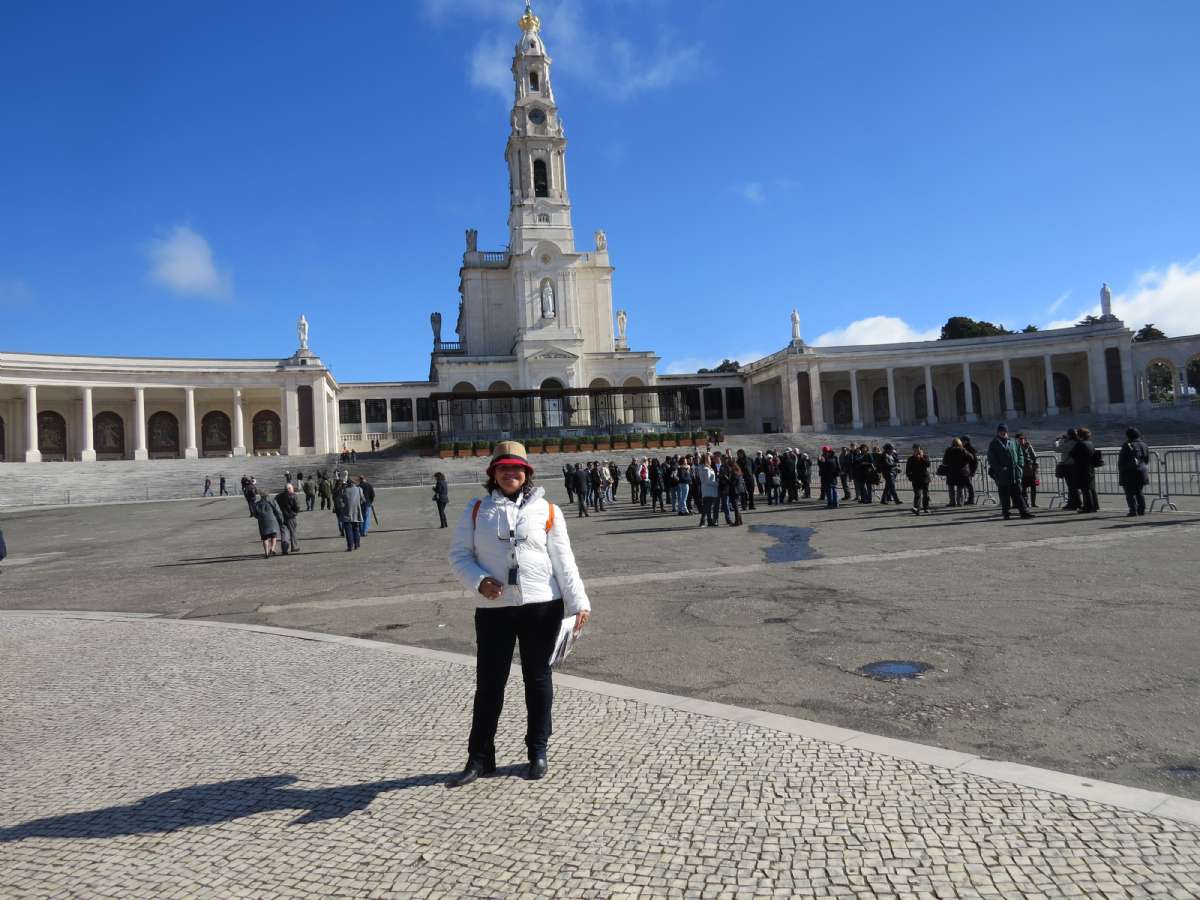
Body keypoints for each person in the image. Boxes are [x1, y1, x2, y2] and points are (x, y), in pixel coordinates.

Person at [447, 441, 591, 786]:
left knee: (538, 680)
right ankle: (480, 757)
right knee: (489, 684)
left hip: (542, 605)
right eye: (503, 468)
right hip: (494, 608)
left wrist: (579, 602)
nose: (510, 473)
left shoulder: (548, 510)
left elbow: (564, 561)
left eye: (516, 469)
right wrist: (480, 581)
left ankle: (537, 750)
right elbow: (459, 555)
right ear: (492, 474)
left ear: (527, 474)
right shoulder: (476, 509)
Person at [986, 423, 1033, 520]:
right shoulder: (994, 443)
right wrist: (999, 468)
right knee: (1004, 495)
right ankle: (1006, 513)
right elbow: (991, 458)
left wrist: (1020, 465)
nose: (1003, 433)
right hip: (1002, 474)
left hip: (1014, 473)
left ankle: (1024, 512)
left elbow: (1020, 453)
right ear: (998, 432)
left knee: (1018, 494)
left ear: (1007, 432)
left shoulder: (1013, 442)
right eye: (1000, 431)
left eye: (1004, 431)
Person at [1117, 427, 1150, 517]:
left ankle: (1133, 510)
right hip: (1142, 471)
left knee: (1129, 492)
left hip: (1129, 472)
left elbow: (1122, 460)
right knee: (1139, 491)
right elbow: (1147, 460)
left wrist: (1121, 469)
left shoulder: (1127, 445)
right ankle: (1141, 509)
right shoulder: (1144, 444)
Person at [1069, 426, 1100, 514]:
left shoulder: (1080, 444)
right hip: (1090, 467)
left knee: (1085, 488)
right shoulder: (1090, 443)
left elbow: (1071, 453)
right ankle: (1095, 505)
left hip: (1082, 468)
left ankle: (1088, 507)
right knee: (1092, 488)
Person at [252, 489, 285, 558]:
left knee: (265, 538)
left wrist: (260, 518)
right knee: (274, 536)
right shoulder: (272, 502)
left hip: (262, 522)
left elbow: (255, 514)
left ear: (261, 496)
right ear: (268, 495)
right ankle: (272, 549)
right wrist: (281, 519)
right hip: (272, 521)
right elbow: (277, 511)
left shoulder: (257, 504)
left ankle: (266, 553)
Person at [338, 476, 365, 550]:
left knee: (348, 530)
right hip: (356, 512)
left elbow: (340, 501)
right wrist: (358, 505)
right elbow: (363, 500)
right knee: (356, 529)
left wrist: (344, 506)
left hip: (347, 513)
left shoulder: (344, 490)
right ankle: (356, 544)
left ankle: (350, 545)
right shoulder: (359, 489)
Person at [275, 483, 301, 554]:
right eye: (292, 488)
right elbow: (297, 506)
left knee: (284, 534)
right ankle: (294, 547)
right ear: (289, 489)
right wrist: (295, 513)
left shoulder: (278, 496)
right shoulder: (293, 496)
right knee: (293, 532)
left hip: (281, 517)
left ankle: (284, 549)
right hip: (291, 517)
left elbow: (275, 504)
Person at [906, 444, 931, 515]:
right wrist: (910, 477)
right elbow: (908, 469)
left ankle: (926, 508)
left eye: (917, 449)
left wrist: (922, 457)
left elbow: (928, 464)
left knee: (926, 494)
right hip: (915, 479)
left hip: (924, 478)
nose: (916, 451)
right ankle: (916, 508)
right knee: (917, 494)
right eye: (914, 449)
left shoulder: (925, 457)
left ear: (920, 449)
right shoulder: (910, 459)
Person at [1016, 433, 1039, 508]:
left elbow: (1034, 456)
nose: (1022, 440)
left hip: (1031, 470)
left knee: (1033, 488)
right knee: (1023, 489)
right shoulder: (1016, 447)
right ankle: (1025, 503)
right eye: (1020, 439)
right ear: (1017, 440)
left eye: (1023, 438)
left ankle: (1033, 503)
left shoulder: (1028, 446)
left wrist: (1035, 466)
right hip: (1022, 471)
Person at [696, 453, 719, 526]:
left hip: (707, 490)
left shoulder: (704, 467)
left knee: (707, 507)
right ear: (706, 460)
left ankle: (708, 520)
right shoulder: (705, 469)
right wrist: (716, 484)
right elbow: (707, 481)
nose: (711, 460)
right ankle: (704, 520)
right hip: (709, 490)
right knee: (707, 507)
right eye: (709, 458)